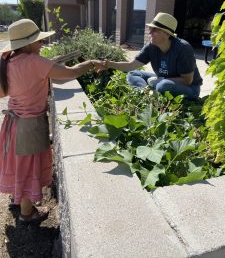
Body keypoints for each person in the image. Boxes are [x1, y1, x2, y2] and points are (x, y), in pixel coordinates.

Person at [0, 19, 102, 225]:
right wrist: (90, 63)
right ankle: (27, 214)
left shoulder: (8, 61)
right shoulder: (34, 62)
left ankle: (16, 199)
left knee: (19, 165)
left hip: (12, 125)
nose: (42, 45)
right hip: (30, 126)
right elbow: (70, 73)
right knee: (29, 169)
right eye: (38, 41)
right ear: (28, 44)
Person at [98, 12, 203, 99]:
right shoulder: (151, 47)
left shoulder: (183, 49)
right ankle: (146, 94)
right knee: (133, 73)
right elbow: (131, 65)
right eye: (150, 29)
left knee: (163, 86)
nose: (150, 32)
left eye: (155, 29)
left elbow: (187, 80)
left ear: (167, 34)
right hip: (164, 79)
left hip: (190, 88)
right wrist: (108, 64)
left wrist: (160, 81)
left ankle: (155, 90)